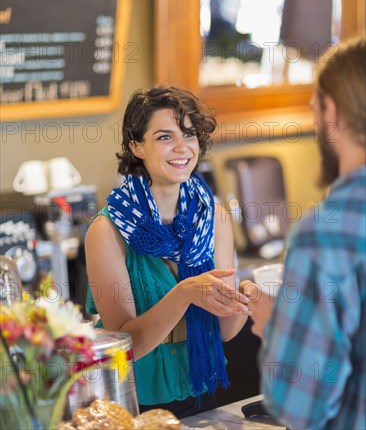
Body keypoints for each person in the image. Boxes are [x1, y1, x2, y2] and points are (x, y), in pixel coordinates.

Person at [85, 85, 249, 418]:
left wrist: (246, 300)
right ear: (136, 146)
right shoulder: (106, 231)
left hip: (204, 390)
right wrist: (185, 293)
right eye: (164, 137)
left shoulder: (213, 216)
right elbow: (126, 346)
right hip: (133, 402)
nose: (182, 148)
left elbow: (227, 331)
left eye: (189, 135)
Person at [241, 37, 366, 430]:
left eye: (313, 108)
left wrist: (278, 328)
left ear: (331, 111)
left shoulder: (328, 233)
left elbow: (300, 404)